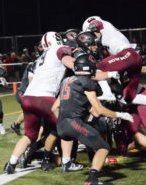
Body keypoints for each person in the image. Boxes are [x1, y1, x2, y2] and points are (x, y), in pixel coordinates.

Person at [3, 31, 78, 174]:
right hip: (44, 98)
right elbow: (70, 61)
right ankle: (67, 163)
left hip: (28, 98)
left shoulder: (41, 58)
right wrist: (81, 67)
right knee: (67, 127)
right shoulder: (59, 49)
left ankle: (11, 164)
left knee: (29, 135)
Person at [52, 54, 133, 185]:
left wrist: (65, 123)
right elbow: (99, 109)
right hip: (73, 122)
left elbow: (54, 107)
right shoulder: (86, 82)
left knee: (93, 134)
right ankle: (93, 179)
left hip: (61, 125)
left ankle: (84, 168)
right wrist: (120, 115)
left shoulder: (67, 80)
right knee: (104, 147)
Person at [76, 29, 146, 122]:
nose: (95, 47)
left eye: (95, 44)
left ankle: (108, 94)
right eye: (92, 45)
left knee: (102, 70)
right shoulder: (81, 57)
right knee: (125, 98)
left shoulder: (107, 45)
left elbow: (99, 71)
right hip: (107, 80)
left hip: (116, 70)